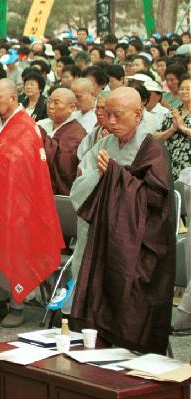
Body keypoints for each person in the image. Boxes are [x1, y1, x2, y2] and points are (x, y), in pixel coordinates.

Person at [69, 87, 174, 354]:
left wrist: (116, 176)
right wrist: (107, 177)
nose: (111, 122)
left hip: (140, 243)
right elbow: (80, 187)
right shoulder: (103, 145)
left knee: (134, 297)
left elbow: (155, 199)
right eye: (107, 115)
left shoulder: (153, 150)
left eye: (118, 115)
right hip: (105, 236)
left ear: (138, 114)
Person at [0, 79, 62, 328]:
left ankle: (18, 304)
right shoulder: (3, 125)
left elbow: (22, 164)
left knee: (16, 251)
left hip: (21, 204)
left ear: (14, 99)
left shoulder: (26, 127)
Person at [38, 88, 86, 195]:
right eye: (49, 101)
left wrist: (40, 135)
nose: (50, 106)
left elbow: (65, 167)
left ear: (72, 108)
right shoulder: (42, 123)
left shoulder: (76, 132)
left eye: (56, 103)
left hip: (59, 193)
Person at [154, 74, 191, 177]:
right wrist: (172, 129)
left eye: (188, 89)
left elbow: (183, 128)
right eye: (182, 89)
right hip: (171, 163)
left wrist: (183, 128)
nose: (184, 92)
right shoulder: (172, 113)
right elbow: (156, 137)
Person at [77, 91, 110, 160]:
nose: (98, 112)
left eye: (103, 108)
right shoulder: (96, 130)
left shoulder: (119, 133)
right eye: (97, 107)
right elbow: (80, 154)